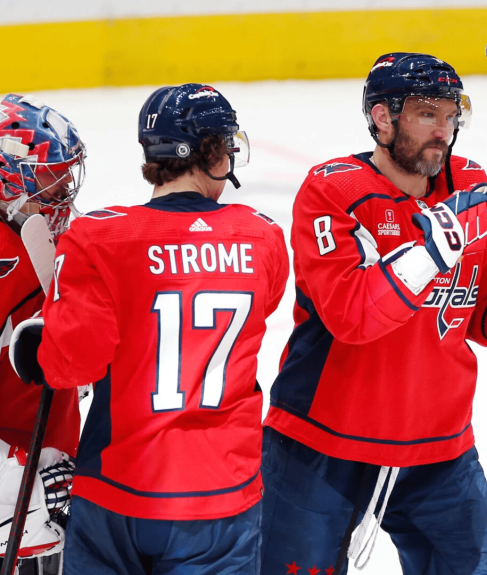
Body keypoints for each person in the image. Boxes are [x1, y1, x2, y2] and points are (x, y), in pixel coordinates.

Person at [260, 52, 487, 575]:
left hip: (438, 448)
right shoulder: (335, 190)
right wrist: (433, 250)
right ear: (382, 117)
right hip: (324, 445)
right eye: (426, 114)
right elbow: (352, 316)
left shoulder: (469, 184)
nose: (443, 130)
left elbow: (479, 313)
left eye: (451, 116)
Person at [10, 84, 289, 574]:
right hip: (220, 495)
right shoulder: (262, 236)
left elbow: (73, 365)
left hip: (115, 489)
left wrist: (40, 344)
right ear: (210, 155)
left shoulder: (97, 237)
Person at [0, 94, 84, 574]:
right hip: (18, 492)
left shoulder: (45, 235)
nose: (66, 186)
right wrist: (22, 475)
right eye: (52, 176)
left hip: (47, 483)